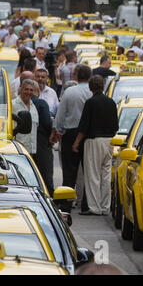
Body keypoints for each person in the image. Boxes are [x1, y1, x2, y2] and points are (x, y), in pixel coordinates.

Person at [72, 75, 118, 216]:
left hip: (94, 140)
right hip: (109, 141)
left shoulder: (90, 102)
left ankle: (94, 207)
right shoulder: (111, 102)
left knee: (92, 175)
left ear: (90, 88)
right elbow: (116, 125)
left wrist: (76, 142)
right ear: (103, 86)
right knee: (105, 174)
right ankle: (105, 207)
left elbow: (84, 126)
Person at [50, 64, 93, 213]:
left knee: (69, 171)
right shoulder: (93, 92)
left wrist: (56, 131)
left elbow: (60, 115)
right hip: (88, 135)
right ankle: (86, 204)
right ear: (90, 77)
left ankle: (66, 204)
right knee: (88, 171)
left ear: (75, 76)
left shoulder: (69, 92)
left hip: (71, 133)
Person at [31, 80, 54, 196]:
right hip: (42, 141)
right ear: (38, 91)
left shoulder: (17, 103)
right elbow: (47, 122)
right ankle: (47, 196)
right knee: (45, 173)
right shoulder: (41, 103)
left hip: (25, 142)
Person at [12, 79, 39, 155]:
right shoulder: (12, 105)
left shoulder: (33, 107)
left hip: (31, 152)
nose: (29, 92)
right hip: (17, 151)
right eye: (26, 89)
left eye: (31, 90)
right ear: (21, 89)